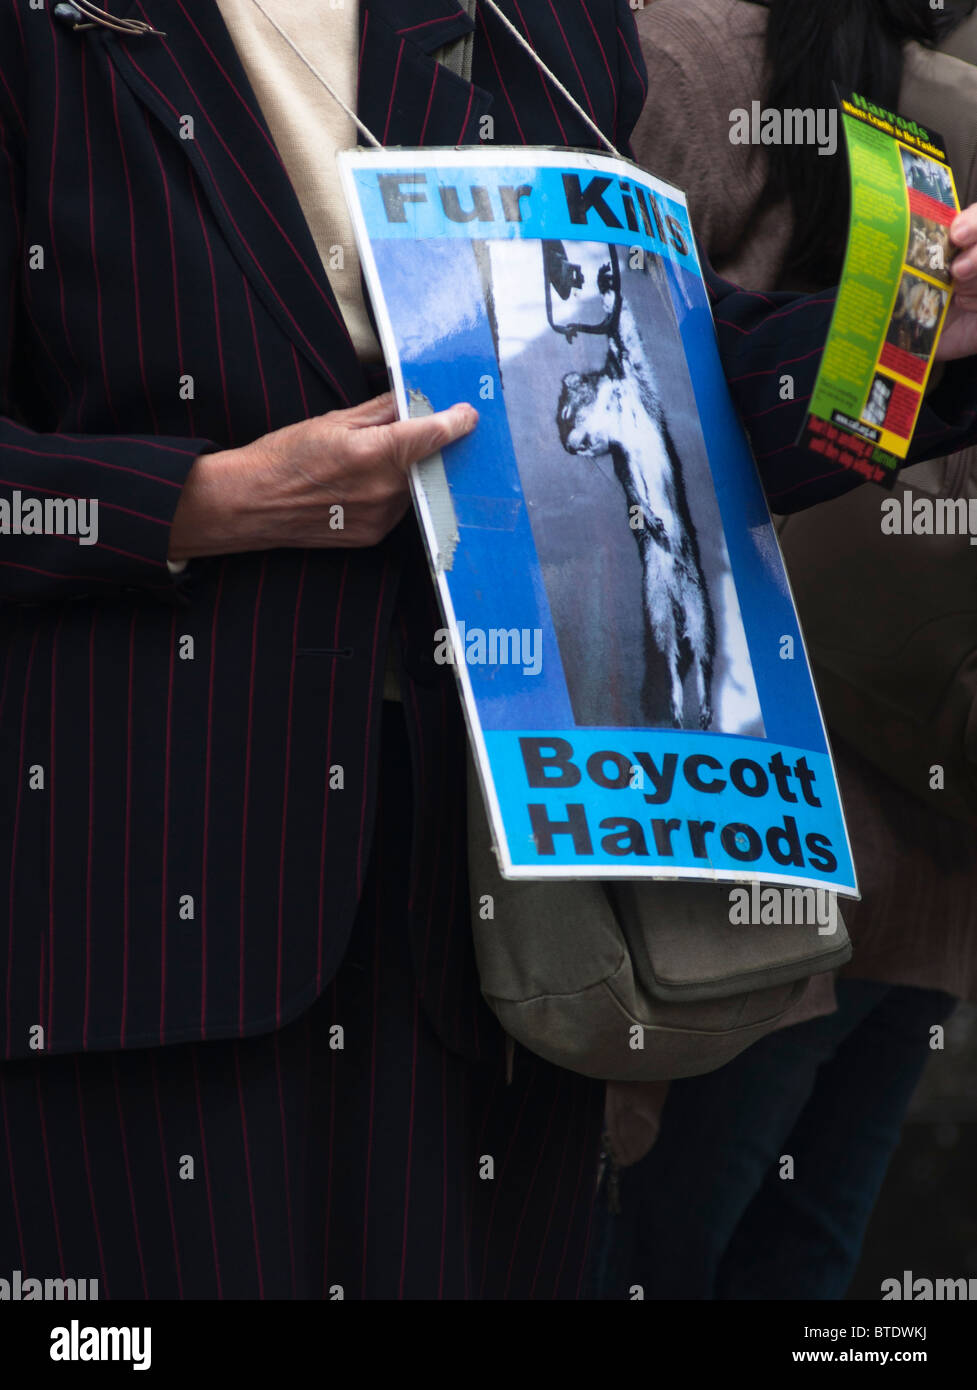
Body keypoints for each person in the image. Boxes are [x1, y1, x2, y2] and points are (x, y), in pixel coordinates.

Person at [4, 0, 977, 1302]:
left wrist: (914, 340)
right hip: (149, 886)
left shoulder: (545, 21)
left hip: (501, 919)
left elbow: (647, 380)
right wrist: (205, 498)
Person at [597, 0, 977, 1301]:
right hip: (934, 814)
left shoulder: (676, 60)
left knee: (647, 1244)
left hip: (742, 796)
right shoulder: (944, 109)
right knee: (804, 1256)